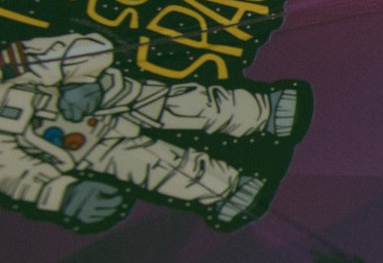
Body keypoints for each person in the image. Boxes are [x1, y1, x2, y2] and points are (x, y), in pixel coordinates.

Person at [0, 33, 308, 232]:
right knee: (152, 167)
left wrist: (81, 83)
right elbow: (15, 173)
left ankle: (261, 111)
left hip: (107, 95)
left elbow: (87, 48)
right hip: (87, 150)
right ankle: (225, 190)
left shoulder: (11, 63)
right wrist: (65, 196)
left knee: (179, 104)